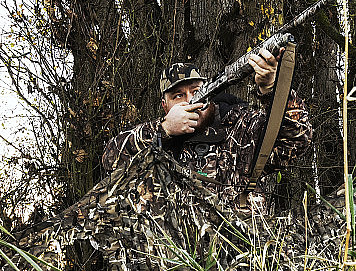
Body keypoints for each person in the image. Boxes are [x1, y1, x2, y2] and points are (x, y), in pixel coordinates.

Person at [102, 48, 311, 211]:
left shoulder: (240, 125)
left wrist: (271, 88)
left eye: (196, 91)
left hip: (239, 258)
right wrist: (164, 129)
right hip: (176, 260)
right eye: (178, 96)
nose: (191, 101)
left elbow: (296, 139)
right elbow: (111, 159)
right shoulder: (154, 138)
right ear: (165, 106)